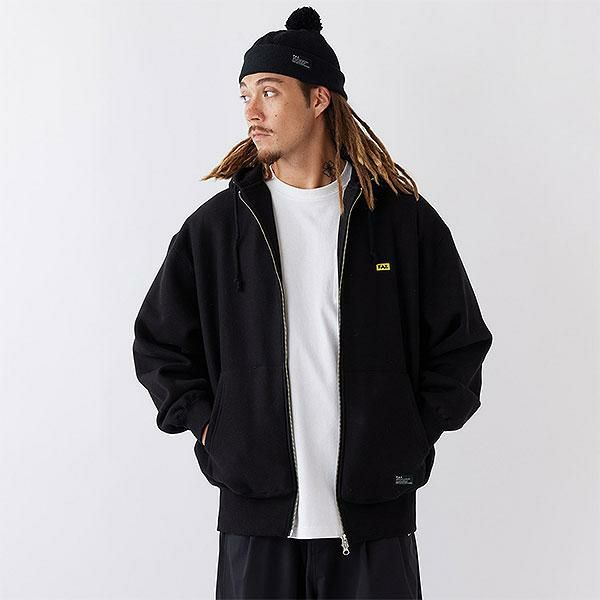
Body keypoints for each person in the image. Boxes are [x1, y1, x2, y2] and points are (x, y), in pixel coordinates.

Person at [132, 6, 493, 599]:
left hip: (375, 522)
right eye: (245, 94)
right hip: (257, 522)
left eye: (269, 92)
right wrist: (211, 428)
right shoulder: (217, 230)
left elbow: (461, 344)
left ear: (319, 98)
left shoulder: (402, 223)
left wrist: (409, 432)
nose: (251, 111)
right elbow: (159, 344)